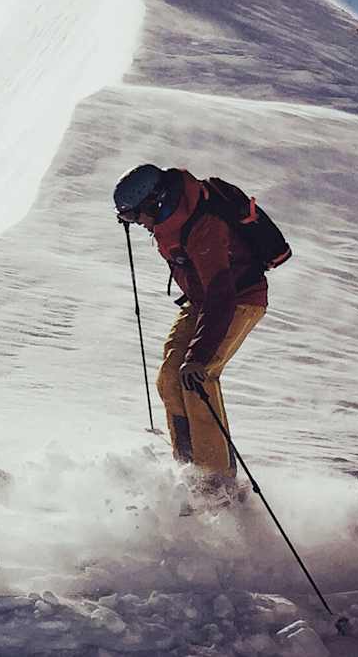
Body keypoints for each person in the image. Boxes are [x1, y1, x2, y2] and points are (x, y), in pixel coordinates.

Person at [113, 164, 268, 499]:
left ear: (154, 203)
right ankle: (188, 469)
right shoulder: (170, 218)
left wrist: (198, 357)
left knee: (198, 378)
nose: (138, 224)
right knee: (170, 377)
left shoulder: (202, 226)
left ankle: (216, 484)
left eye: (137, 217)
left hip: (238, 300)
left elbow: (222, 296)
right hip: (203, 302)